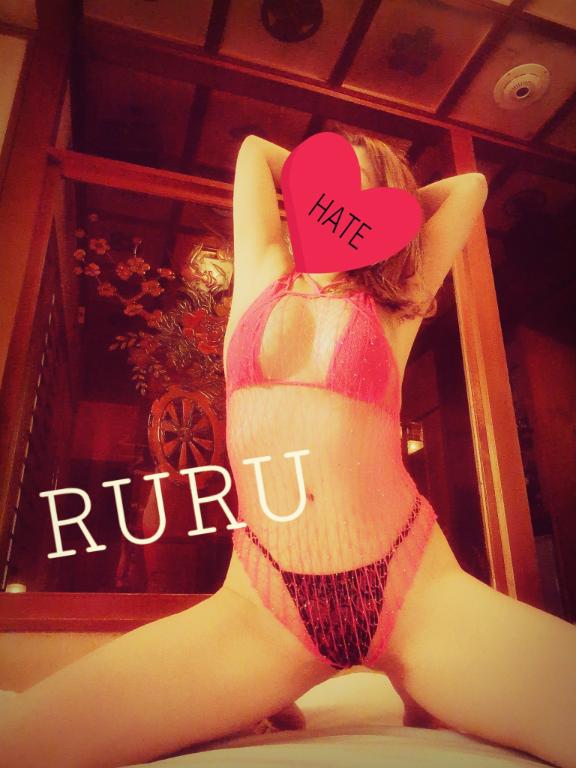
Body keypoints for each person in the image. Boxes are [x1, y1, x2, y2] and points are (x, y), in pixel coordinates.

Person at [1, 130, 575, 768]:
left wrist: (394, 206)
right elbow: (253, 151)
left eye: (361, 191)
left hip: (416, 593)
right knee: (25, 742)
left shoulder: (398, 304)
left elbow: (469, 188)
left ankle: (414, 678)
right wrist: (314, 178)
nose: (341, 204)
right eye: (328, 188)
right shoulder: (263, 268)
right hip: (266, 610)